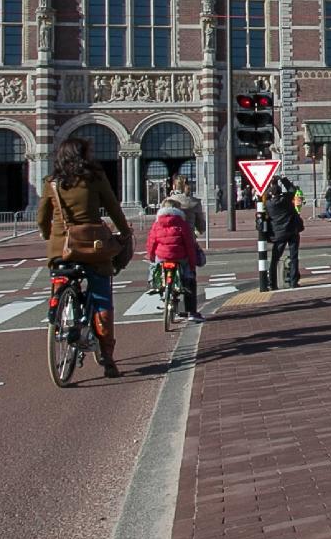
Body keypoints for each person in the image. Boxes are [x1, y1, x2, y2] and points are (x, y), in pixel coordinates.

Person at [36, 137, 133, 378]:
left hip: (62, 249)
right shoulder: (95, 178)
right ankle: (108, 358)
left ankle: (59, 311)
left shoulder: (52, 183)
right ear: (84, 156)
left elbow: (41, 218)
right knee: (101, 298)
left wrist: (50, 237)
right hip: (92, 247)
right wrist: (125, 232)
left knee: (60, 279)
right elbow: (113, 208)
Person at [144, 185, 207, 324]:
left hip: (162, 256)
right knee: (189, 279)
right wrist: (191, 263)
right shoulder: (182, 223)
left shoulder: (157, 223)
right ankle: (192, 312)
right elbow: (189, 245)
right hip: (180, 256)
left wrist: (151, 257)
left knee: (155, 269)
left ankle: (156, 288)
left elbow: (151, 242)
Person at [266, 177, 303, 289]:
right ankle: (293, 282)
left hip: (278, 234)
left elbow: (266, 196)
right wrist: (283, 179)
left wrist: (271, 184)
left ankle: (272, 283)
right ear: (280, 192)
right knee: (294, 256)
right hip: (292, 231)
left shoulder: (268, 204)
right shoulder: (286, 199)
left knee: (275, 259)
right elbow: (292, 190)